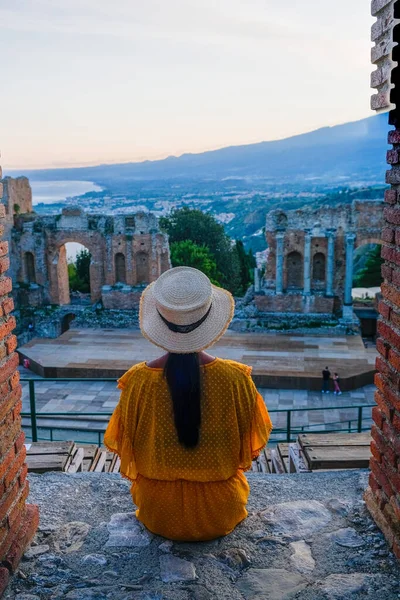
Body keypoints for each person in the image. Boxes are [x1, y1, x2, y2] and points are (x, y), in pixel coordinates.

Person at [104, 266, 272, 541]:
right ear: (207, 321)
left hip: (158, 511)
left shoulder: (135, 381)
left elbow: (126, 442)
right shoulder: (236, 378)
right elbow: (252, 443)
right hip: (221, 509)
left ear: (160, 320)